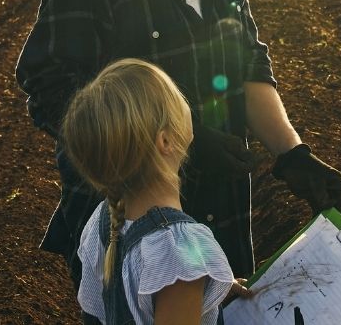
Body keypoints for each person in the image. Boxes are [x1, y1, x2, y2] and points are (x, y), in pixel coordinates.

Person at [15, 0, 341, 308]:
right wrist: (173, 140)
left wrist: (291, 152)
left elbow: (246, 59)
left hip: (220, 204)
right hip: (129, 218)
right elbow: (51, 87)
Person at [68, 60, 251, 324]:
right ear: (165, 140)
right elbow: (171, 274)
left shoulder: (104, 218)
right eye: (177, 97)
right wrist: (187, 283)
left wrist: (200, 296)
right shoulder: (179, 253)